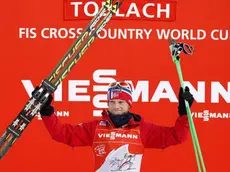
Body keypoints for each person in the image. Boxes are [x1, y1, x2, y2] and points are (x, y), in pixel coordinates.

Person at [36, 80, 194, 172]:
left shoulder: (143, 129)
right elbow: (62, 133)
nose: (116, 106)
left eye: (121, 102)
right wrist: (47, 111)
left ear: (129, 103)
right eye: (112, 102)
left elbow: (176, 136)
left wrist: (184, 113)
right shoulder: (96, 127)